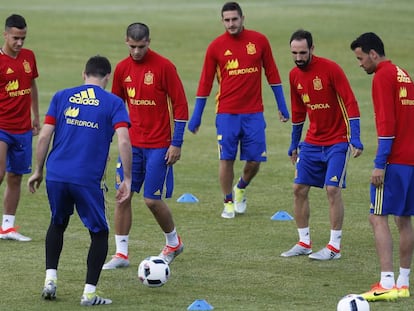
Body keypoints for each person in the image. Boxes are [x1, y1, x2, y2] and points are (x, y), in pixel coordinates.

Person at [27, 55, 132, 306]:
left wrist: (38, 170)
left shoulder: (62, 96)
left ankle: (50, 280)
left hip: (57, 174)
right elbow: (124, 140)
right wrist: (127, 177)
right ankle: (89, 294)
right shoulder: (114, 103)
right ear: (107, 77)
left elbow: (43, 137)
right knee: (99, 232)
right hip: (86, 178)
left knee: (58, 222)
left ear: (83, 75)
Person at [188, 2, 290, 219]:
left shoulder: (259, 41)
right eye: (227, 20)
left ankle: (240, 188)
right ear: (222, 21)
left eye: (235, 19)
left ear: (243, 18)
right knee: (226, 159)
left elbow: (272, 73)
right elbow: (205, 83)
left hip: (254, 113)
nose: (231, 24)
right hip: (226, 113)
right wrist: (196, 115)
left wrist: (282, 105)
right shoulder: (215, 47)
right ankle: (227, 202)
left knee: (254, 161)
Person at [102, 22, 188, 270]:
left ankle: (173, 242)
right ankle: (121, 254)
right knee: (122, 196)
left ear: (149, 42)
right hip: (132, 145)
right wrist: (106, 143)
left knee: (151, 200)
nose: (137, 52)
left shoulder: (164, 67)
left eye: (141, 47)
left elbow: (181, 106)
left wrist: (177, 143)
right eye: (132, 46)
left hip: (160, 146)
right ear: (126, 41)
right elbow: (116, 108)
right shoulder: (121, 69)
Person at [280, 29, 363, 260]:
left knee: (332, 189)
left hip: (337, 141)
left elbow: (350, 102)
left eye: (303, 53)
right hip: (312, 142)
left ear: (312, 49)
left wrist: (354, 137)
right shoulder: (294, 75)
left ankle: (334, 247)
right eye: (294, 53)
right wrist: (294, 144)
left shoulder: (330, 69)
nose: (298, 58)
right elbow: (298, 113)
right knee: (298, 189)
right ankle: (304, 242)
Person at [350, 32, 414, 301]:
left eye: (361, 58)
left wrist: (379, 164)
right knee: (404, 219)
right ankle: (403, 281)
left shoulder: (382, 77)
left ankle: (386, 281)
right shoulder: (403, 74)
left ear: (373, 54)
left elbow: (386, 126)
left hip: (395, 161)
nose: (360, 63)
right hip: (411, 160)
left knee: (377, 217)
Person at [0, 14, 40, 241]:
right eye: (15, 38)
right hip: (2, 126)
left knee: (15, 176)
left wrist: (36, 115)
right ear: (5, 35)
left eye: (23, 38)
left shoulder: (28, 57)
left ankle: (7, 227)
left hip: (23, 127)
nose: (20, 43)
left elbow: (32, 84)